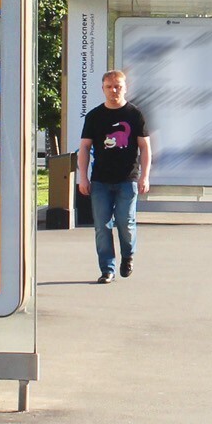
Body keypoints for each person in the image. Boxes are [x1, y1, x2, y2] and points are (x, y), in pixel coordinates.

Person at [75, 69, 151, 283]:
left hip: (127, 179)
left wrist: (144, 176)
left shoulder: (134, 114)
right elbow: (84, 148)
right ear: (103, 89)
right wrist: (83, 177)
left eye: (118, 86)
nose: (114, 90)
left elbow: (145, 147)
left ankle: (128, 256)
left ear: (125, 88)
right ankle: (107, 269)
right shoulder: (94, 116)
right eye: (109, 87)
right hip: (100, 180)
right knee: (102, 226)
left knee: (125, 222)